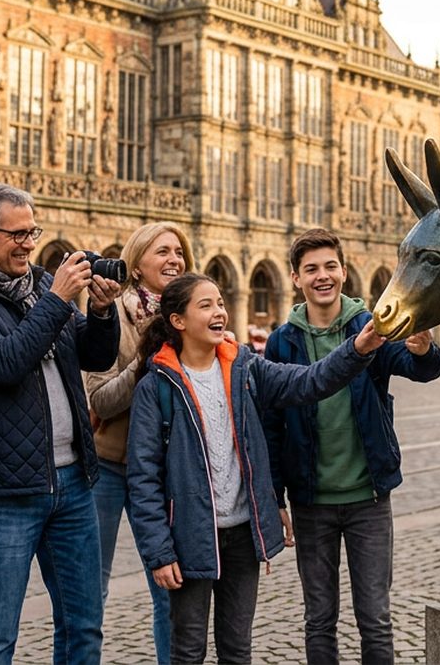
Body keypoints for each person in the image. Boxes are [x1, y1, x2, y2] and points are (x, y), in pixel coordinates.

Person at [126, 273, 385, 665]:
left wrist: (358, 348)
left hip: (243, 538)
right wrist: (159, 553)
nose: (220, 312)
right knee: (187, 650)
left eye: (220, 303)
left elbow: (309, 381)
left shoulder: (245, 368)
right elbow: (142, 478)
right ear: (178, 321)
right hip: (191, 536)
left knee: (237, 650)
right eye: (206, 305)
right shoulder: (156, 385)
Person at [0, 183, 121, 665]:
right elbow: (3, 363)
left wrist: (99, 310)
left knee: (83, 627)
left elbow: (95, 354)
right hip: (3, 491)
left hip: (73, 482)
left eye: (32, 232)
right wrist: (57, 300)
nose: (28, 244)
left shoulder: (38, 285)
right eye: (16, 234)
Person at [262, 228, 440, 664]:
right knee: (319, 618)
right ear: (296, 278)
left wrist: (423, 350)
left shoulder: (371, 326)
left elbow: (419, 369)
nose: (322, 276)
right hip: (312, 502)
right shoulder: (281, 342)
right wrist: (275, 496)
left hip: (369, 498)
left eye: (329, 266)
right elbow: (271, 425)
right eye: (311, 269)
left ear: (343, 272)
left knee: (375, 618)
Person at [85, 222, 194, 664]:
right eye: (162, 251)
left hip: (167, 472)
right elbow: (99, 400)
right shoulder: (112, 314)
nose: (173, 259)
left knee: (171, 592)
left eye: (179, 252)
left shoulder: (190, 316)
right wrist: (144, 364)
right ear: (136, 265)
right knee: (91, 589)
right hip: (111, 467)